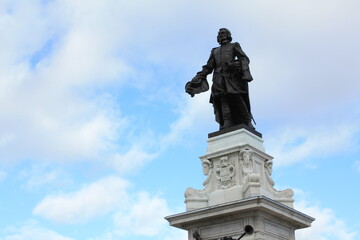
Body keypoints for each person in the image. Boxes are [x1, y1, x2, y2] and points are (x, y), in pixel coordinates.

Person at [186, 28, 255, 130]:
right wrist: (198, 78)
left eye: (223, 33)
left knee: (237, 97)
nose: (221, 35)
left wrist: (233, 64)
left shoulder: (234, 45)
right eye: (219, 34)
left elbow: (244, 58)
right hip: (218, 77)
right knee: (222, 98)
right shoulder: (215, 51)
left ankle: (247, 120)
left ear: (228, 35)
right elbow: (208, 67)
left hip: (231, 76)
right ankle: (227, 121)